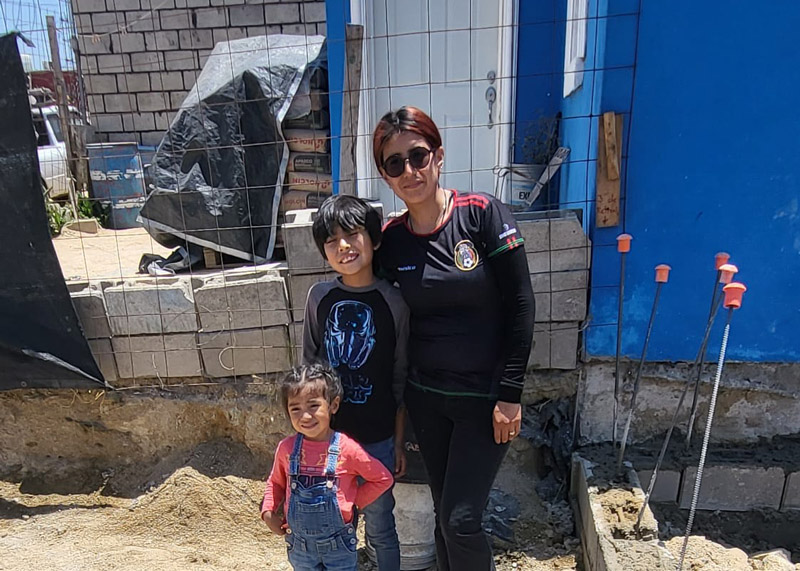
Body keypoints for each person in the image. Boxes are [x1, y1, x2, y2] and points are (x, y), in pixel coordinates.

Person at [373, 106, 536, 571]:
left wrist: (510, 395)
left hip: (485, 401)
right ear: (386, 176)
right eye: (394, 163)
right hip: (428, 400)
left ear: (438, 156)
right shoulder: (393, 240)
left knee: (462, 520)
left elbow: (521, 306)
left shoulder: (482, 214)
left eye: (417, 156)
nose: (409, 171)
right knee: (445, 517)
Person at [302, 194, 410, 571]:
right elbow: (308, 372)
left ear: (374, 240)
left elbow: (400, 379)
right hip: (329, 444)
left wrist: (398, 441)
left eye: (352, 235)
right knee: (334, 526)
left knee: (381, 527)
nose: (343, 246)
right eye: (331, 240)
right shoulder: (319, 298)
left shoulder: (394, 302)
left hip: (378, 440)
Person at [261, 364, 394, 571]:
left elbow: (383, 478)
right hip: (300, 548)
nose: (305, 416)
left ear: (333, 405)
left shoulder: (347, 449)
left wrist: (353, 503)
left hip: (338, 548)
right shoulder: (286, 449)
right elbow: (276, 482)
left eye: (313, 406)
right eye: (295, 408)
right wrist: (268, 511)